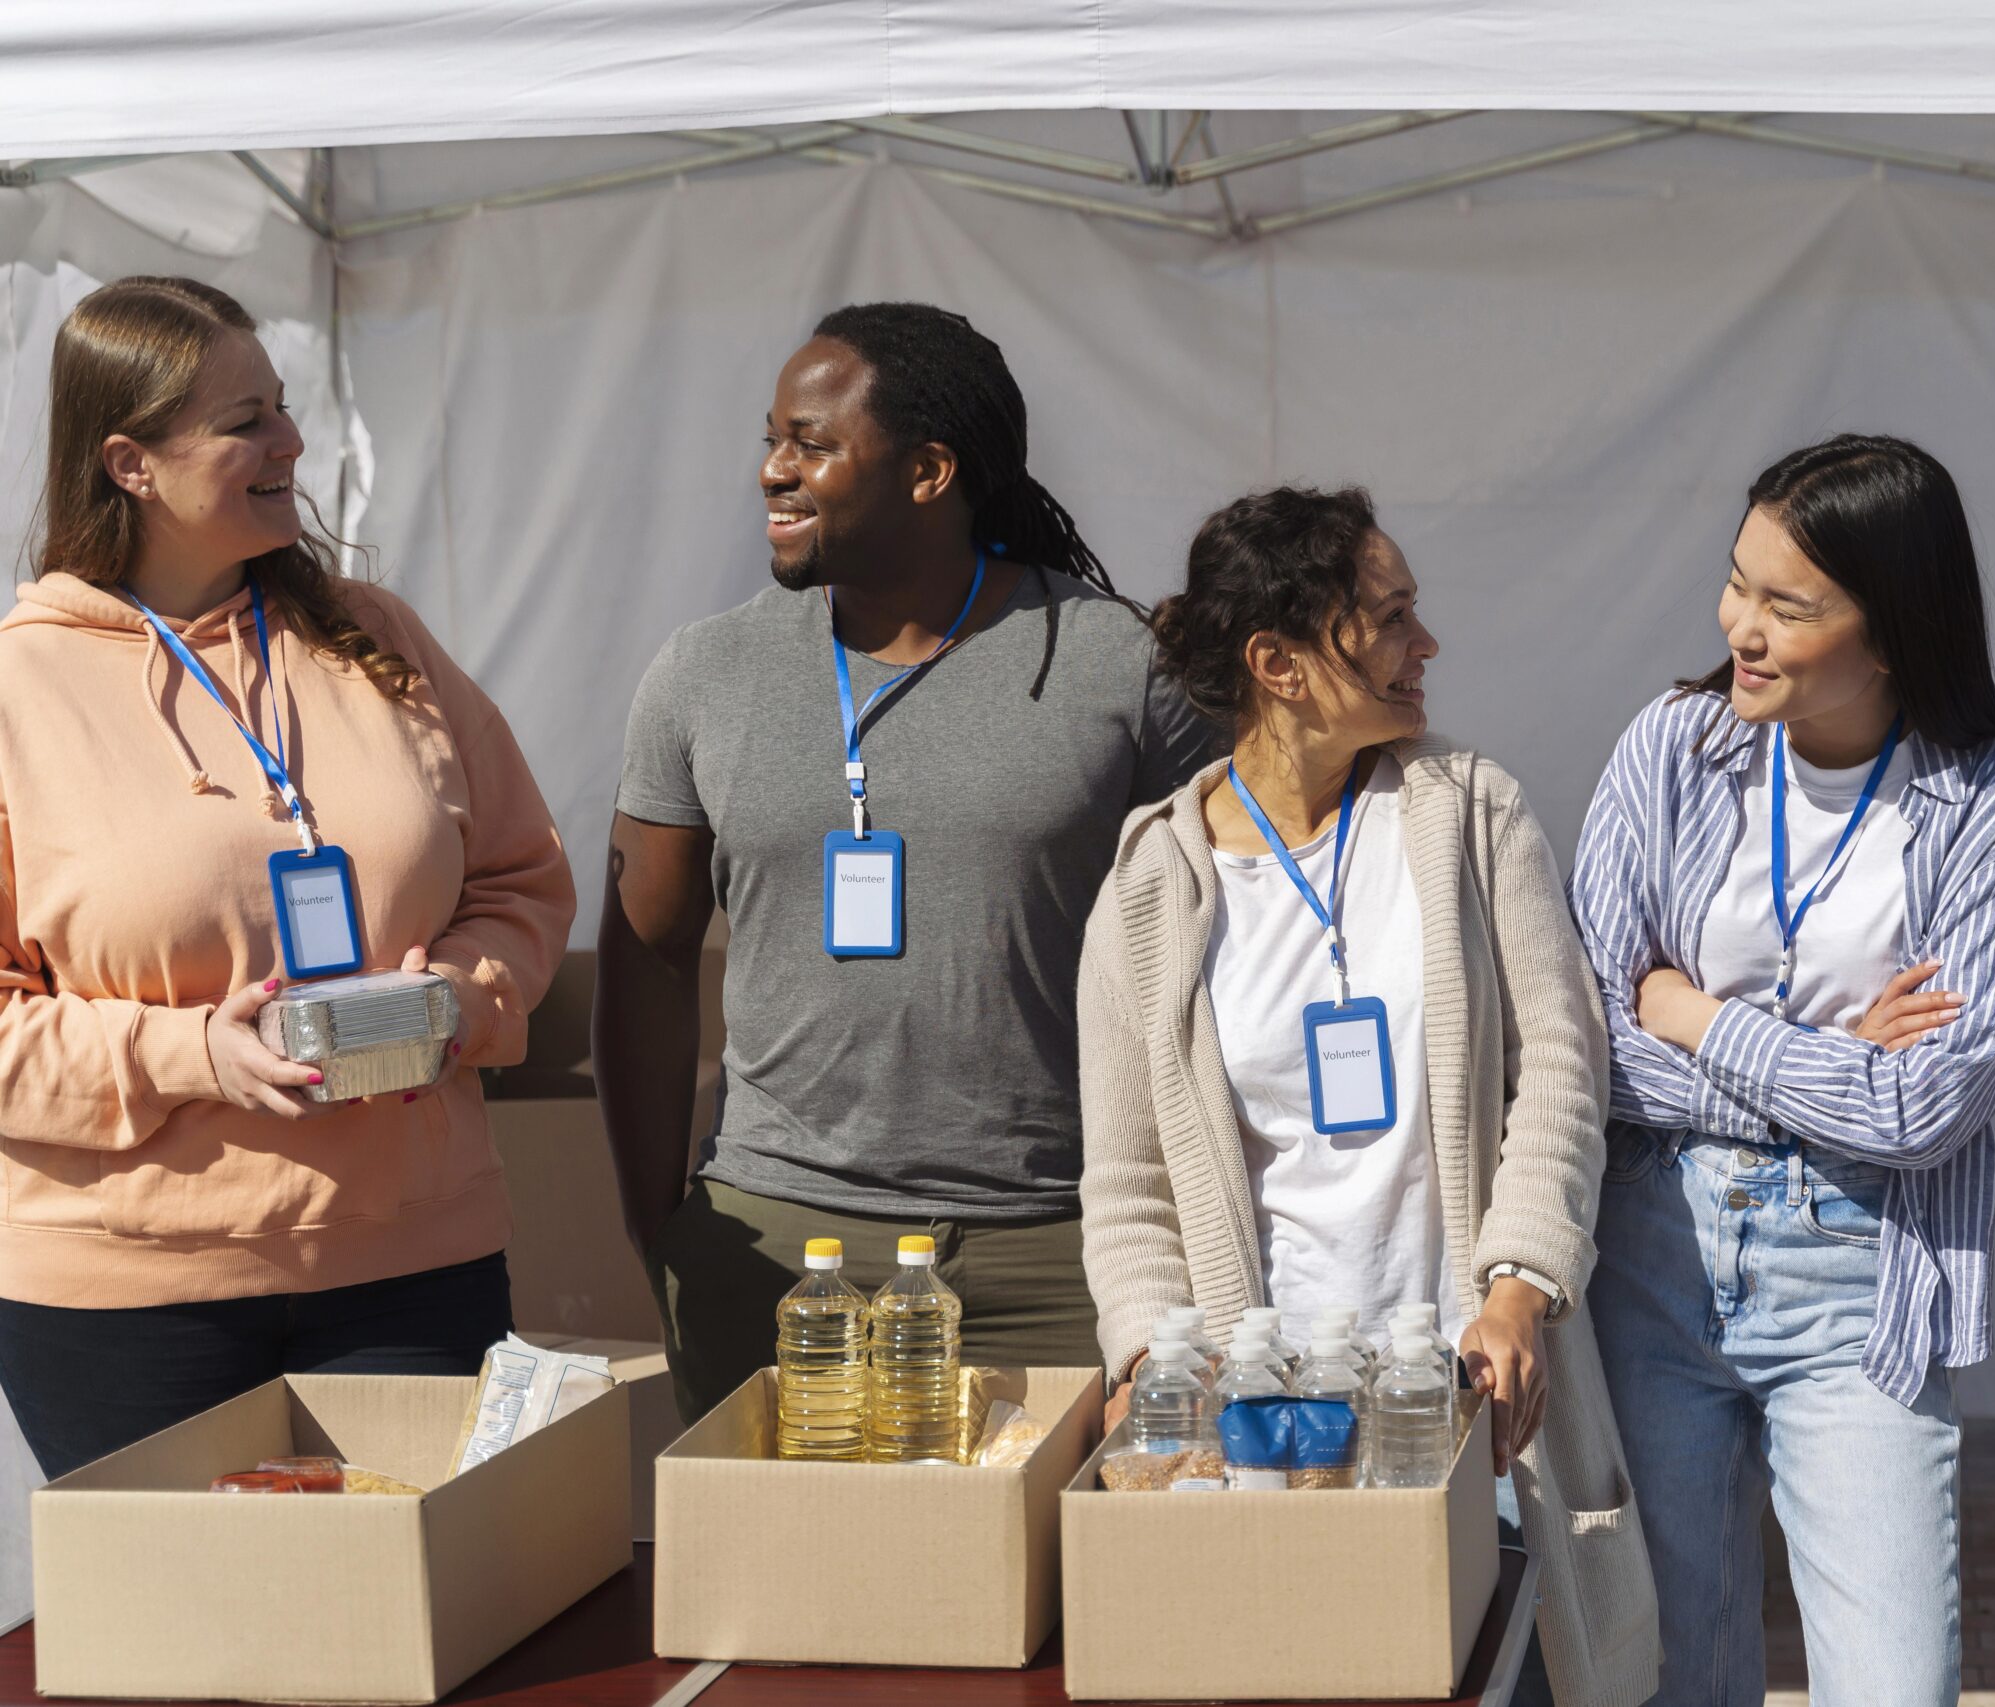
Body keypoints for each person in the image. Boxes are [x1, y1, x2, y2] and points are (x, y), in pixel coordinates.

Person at [1078, 485, 1657, 1707]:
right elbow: (1126, 1179)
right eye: (1388, 619)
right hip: (1270, 1433)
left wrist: (1519, 1289)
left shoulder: (1467, 810)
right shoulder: (1148, 885)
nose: (1425, 644)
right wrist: (1146, 1353)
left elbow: (1562, 1063)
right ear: (1278, 663)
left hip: (1469, 1404)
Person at [600, 301, 1225, 1421]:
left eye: (812, 444)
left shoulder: (1116, 667)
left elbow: (1229, 945)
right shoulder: (704, 673)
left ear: (930, 471)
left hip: (1063, 1249)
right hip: (784, 1248)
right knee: (793, 1590)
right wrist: (659, 1224)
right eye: (771, 440)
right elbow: (644, 957)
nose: (772, 474)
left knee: (1058, 1593)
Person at [0, 277, 574, 1478]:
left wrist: (470, 996)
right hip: (128, 1305)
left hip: (418, 1268)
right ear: (130, 463)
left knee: (422, 1642)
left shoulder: (378, 635)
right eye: (244, 420)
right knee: (192, 1657)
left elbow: (521, 875)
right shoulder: (19, 689)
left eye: (284, 407)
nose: (290, 443)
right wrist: (195, 1055)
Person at [1571, 434, 1995, 1707]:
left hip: (1861, 1267)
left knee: (1893, 1683)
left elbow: (1930, 1106)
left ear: (1893, 631)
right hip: (1653, 1239)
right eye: (1738, 582)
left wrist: (1696, 1016)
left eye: (1789, 606)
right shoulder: (1672, 748)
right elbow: (1590, 1044)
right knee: (1676, 1668)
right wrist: (1827, 1057)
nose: (1741, 625)